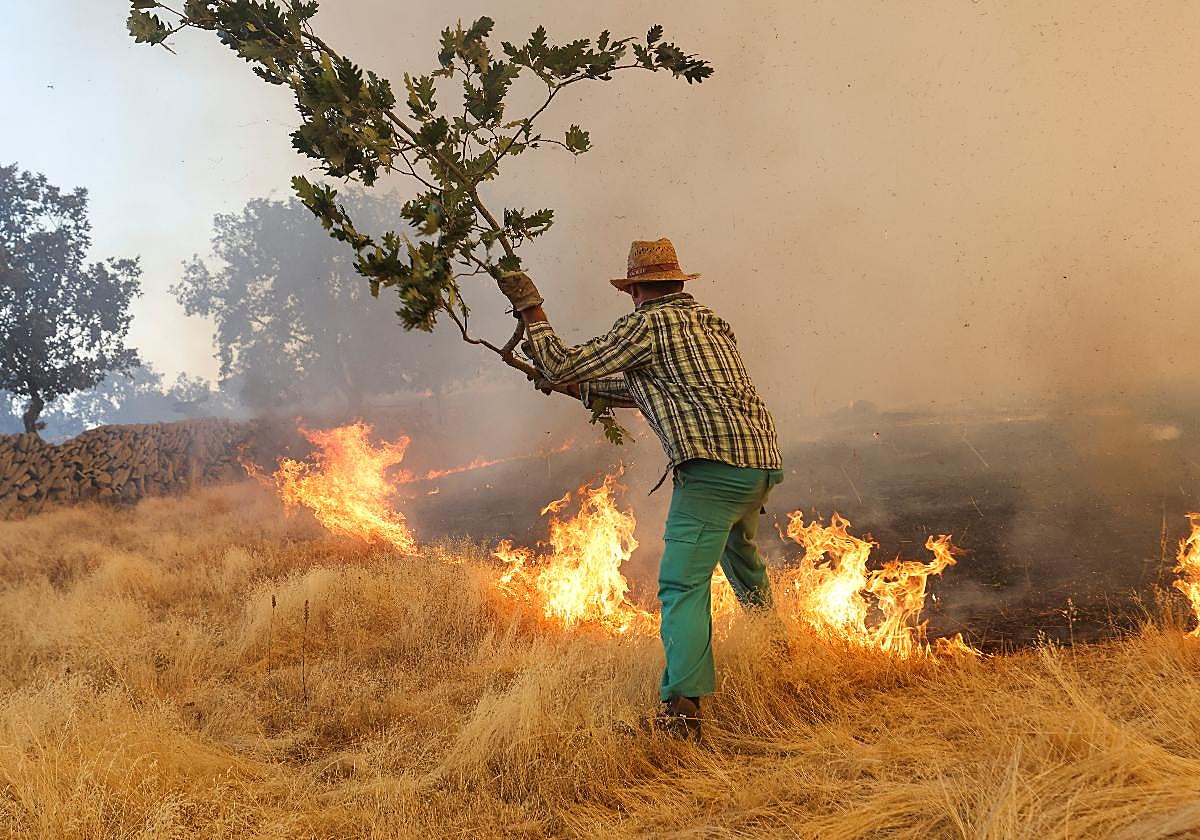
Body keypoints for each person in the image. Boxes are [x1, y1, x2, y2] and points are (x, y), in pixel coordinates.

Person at [498, 237, 784, 741]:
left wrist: (531, 310)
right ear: (678, 283)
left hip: (712, 471)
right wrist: (570, 387)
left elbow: (565, 362)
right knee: (744, 563)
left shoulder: (647, 324)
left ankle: (682, 707)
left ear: (636, 290)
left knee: (681, 586)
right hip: (758, 465)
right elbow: (644, 389)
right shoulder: (711, 324)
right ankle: (781, 654)